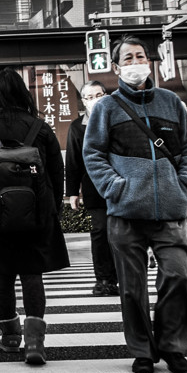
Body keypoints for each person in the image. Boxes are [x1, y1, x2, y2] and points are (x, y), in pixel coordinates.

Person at [83, 36, 187, 373]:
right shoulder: (106, 107)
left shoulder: (171, 103)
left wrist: (185, 185)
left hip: (170, 211)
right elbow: (93, 154)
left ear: (150, 62)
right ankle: (142, 350)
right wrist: (115, 188)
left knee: (181, 276)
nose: (136, 63)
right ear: (117, 67)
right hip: (125, 212)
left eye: (140, 57)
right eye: (128, 58)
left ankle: (172, 345)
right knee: (132, 289)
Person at [0, 68, 68, 365]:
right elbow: (56, 174)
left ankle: (10, 336)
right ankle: (35, 342)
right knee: (32, 274)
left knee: (4, 273)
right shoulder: (41, 129)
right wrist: (50, 208)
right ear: (23, 94)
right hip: (37, 214)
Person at [65, 80, 119, 296]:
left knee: (122, 233)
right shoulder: (77, 127)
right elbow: (73, 161)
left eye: (98, 95)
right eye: (89, 97)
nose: (94, 100)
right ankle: (104, 279)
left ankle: (124, 275)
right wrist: (72, 192)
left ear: (106, 96)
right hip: (94, 188)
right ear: (83, 101)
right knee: (100, 232)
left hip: (121, 185)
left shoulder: (118, 119)